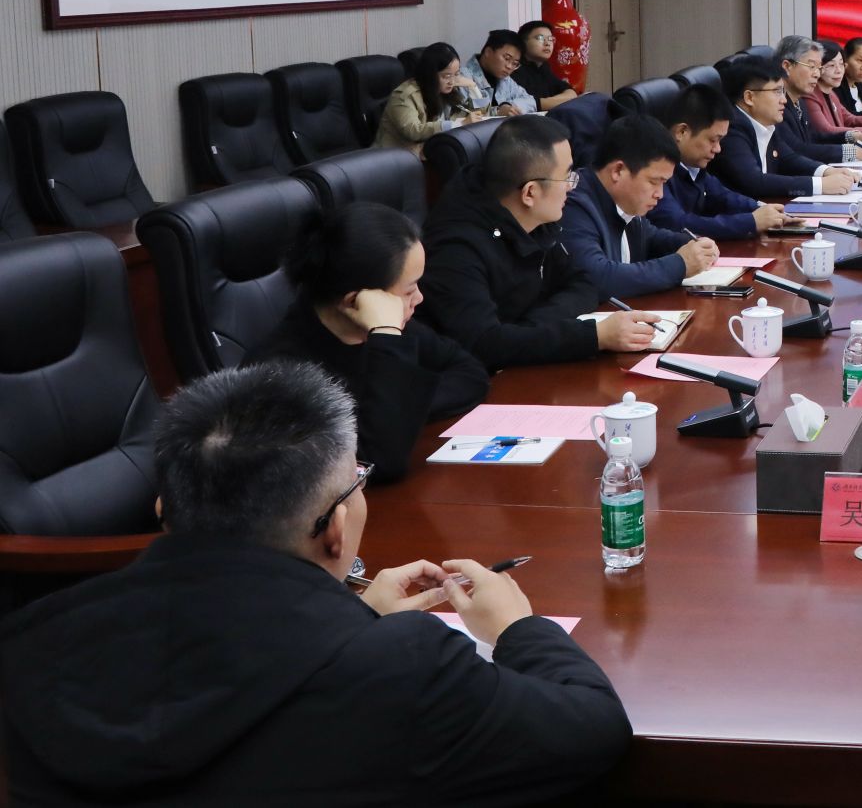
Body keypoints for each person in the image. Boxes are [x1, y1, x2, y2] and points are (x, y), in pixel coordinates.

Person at [0, 361, 631, 805]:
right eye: (358, 481)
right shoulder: (404, 668)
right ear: (335, 529)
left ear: (164, 510)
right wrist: (519, 630)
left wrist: (353, 621)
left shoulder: (30, 644)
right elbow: (593, 732)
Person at [248, 202, 489, 479]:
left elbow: (470, 373)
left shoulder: (393, 329)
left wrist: (403, 411)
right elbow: (378, 461)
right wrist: (386, 338)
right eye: (409, 291)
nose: (420, 298)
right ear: (355, 301)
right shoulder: (283, 371)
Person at [419, 114, 664, 369]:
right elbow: (485, 345)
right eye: (566, 177)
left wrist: (529, 329)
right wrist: (595, 336)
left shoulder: (535, 218)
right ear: (530, 192)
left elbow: (584, 283)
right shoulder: (455, 248)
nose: (572, 186)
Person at [559, 114, 721, 298]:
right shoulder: (572, 205)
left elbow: (651, 238)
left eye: (664, 183)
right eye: (654, 182)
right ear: (618, 171)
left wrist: (691, 245)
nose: (660, 194)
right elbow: (597, 278)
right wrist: (681, 264)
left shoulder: (623, 202)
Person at [646, 82, 789, 240]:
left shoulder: (693, 166)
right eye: (713, 140)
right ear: (682, 132)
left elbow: (724, 197)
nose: (718, 149)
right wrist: (751, 222)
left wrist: (766, 210)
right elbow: (678, 223)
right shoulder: (655, 172)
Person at [711, 54, 857, 201]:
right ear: (749, 97)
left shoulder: (765, 123)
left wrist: (827, 171)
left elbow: (788, 158)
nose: (783, 100)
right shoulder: (731, 129)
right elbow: (754, 181)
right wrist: (821, 185)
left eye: (783, 92)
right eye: (777, 92)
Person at [375, 41, 486, 154]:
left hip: (432, 154)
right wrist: (460, 124)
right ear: (430, 74)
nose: (452, 81)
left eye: (456, 74)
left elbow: (480, 115)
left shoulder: (447, 90)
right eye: (447, 76)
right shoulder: (405, 95)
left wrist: (473, 87)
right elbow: (413, 131)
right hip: (393, 158)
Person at [777, 33, 862, 154]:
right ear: (787, 66)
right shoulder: (778, 104)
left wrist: (852, 136)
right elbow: (798, 149)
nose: (817, 74)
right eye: (811, 66)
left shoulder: (799, 102)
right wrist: (852, 152)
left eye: (819, 68)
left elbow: (814, 138)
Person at [805, 38, 862, 136]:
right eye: (831, 65)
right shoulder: (810, 95)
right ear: (818, 67)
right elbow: (826, 131)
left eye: (841, 64)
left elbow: (849, 119)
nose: (839, 70)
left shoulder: (831, 93)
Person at [459, 29, 538, 117]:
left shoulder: (506, 81)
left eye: (515, 63)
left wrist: (509, 106)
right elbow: (461, 115)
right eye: (507, 58)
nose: (509, 66)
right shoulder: (463, 77)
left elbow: (530, 101)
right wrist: (498, 111)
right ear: (488, 52)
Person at [513, 19, 578, 109]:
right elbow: (522, 104)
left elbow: (571, 93)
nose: (547, 43)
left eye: (550, 39)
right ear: (523, 43)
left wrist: (540, 103)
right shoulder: (514, 68)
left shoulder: (543, 67)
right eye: (540, 38)